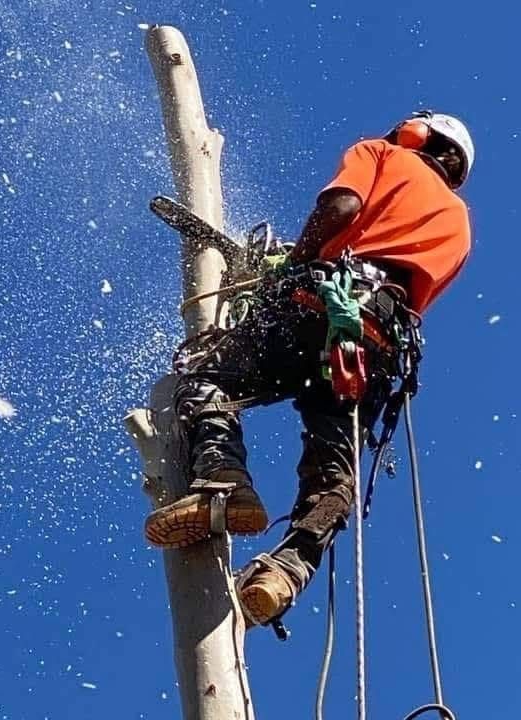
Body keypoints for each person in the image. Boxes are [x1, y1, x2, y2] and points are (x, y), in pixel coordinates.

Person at [144, 110, 474, 628]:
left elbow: (342, 205)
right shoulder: (459, 225)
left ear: (419, 135)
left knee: (206, 375)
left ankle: (224, 483)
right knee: (332, 471)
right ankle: (287, 570)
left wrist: (297, 263)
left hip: (320, 304)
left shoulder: (382, 154)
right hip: (377, 349)